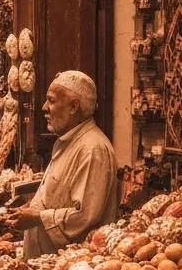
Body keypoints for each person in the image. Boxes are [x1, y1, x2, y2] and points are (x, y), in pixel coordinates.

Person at [10, 71, 117, 260]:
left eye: (51, 101)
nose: (44, 108)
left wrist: (37, 218)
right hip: (45, 265)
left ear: (74, 106)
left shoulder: (92, 149)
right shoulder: (68, 142)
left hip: (69, 266)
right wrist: (30, 209)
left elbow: (84, 216)